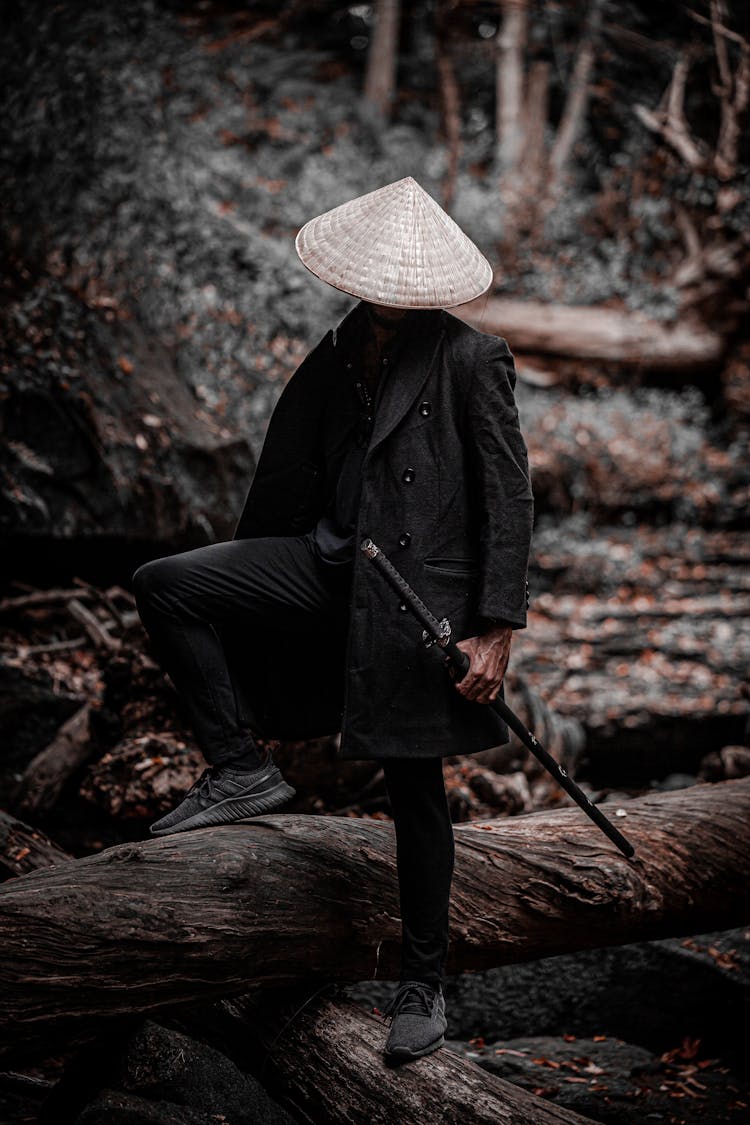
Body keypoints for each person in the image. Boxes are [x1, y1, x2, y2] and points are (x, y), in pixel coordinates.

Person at [132, 176, 534, 1063]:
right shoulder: (338, 348)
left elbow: (509, 498)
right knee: (169, 583)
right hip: (324, 565)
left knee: (414, 792)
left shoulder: (474, 358)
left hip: (413, 602)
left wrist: (495, 627)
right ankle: (239, 768)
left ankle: (423, 983)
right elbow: (292, 470)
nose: (385, 288)